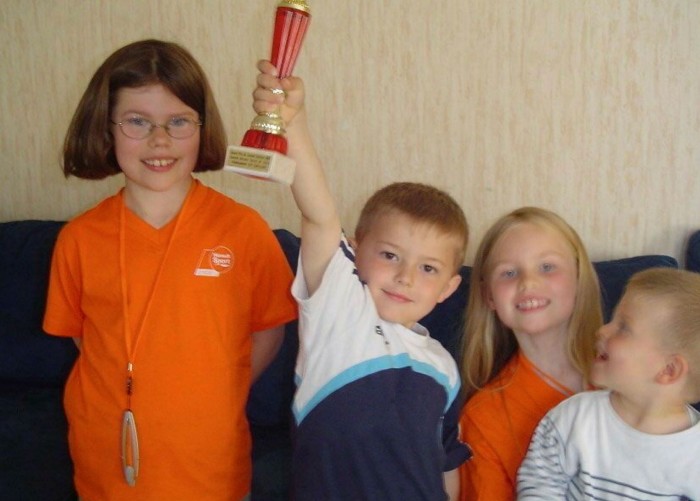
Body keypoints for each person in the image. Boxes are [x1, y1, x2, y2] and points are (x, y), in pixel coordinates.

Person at [43, 39, 297, 501]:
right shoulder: (79, 239)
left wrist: (218, 390)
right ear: (106, 129)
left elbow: (270, 331)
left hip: (210, 469)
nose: (159, 141)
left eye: (178, 121)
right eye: (138, 121)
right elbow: (87, 339)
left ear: (202, 127)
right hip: (105, 465)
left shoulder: (243, 230)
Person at [251, 60, 472, 500]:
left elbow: (445, 460)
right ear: (355, 250)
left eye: (428, 268)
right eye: (389, 255)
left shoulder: (444, 368)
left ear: (448, 287)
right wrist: (293, 123)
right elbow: (318, 216)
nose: (405, 277)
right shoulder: (340, 308)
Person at [457, 206, 603, 500]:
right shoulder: (483, 418)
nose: (528, 283)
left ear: (579, 277)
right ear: (489, 296)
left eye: (547, 267)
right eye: (509, 273)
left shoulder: (628, 374)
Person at [517, 267, 700, 499]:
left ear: (668, 370)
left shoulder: (694, 456)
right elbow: (539, 486)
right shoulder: (574, 417)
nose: (602, 330)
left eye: (623, 327)